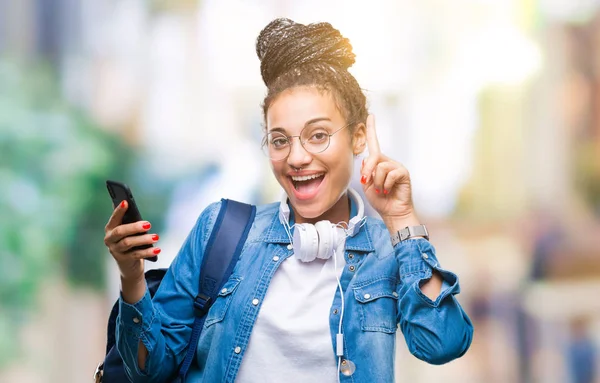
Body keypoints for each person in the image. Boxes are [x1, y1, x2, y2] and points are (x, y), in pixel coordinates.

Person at [104, 18, 473, 383]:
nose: (296, 158)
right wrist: (131, 276)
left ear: (359, 137)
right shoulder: (221, 230)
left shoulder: (387, 250)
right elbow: (148, 370)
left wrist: (402, 219)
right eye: (280, 140)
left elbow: (441, 343)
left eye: (317, 135)